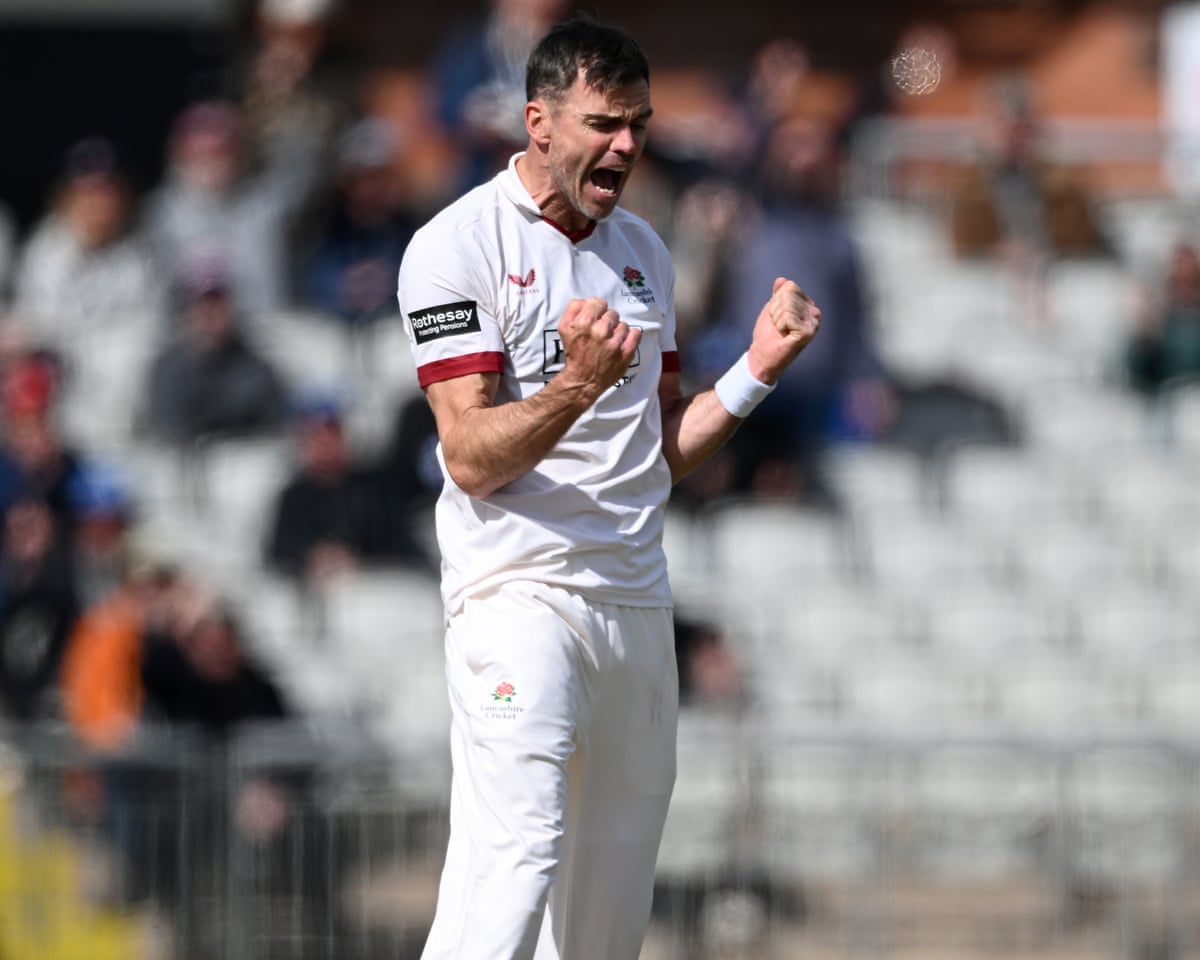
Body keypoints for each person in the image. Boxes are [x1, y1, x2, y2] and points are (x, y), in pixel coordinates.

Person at [394, 18, 820, 960]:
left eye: (638, 122)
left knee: (607, 917)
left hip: (635, 600)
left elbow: (654, 453)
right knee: (517, 858)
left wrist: (755, 369)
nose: (626, 144)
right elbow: (467, 454)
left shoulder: (645, 253)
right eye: (603, 122)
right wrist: (575, 384)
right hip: (519, 595)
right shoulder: (454, 245)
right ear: (538, 122)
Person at [140, 258, 289, 448]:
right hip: (186, 467)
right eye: (202, 303)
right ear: (186, 309)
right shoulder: (166, 369)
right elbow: (165, 432)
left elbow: (274, 432)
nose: (211, 313)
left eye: (219, 303)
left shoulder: (256, 368)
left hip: (243, 465)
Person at [1124, 240, 1200, 395]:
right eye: (1179, 280)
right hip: (1168, 401)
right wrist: (1146, 341)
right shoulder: (1160, 321)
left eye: (1191, 281)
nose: (1185, 288)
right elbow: (1138, 374)